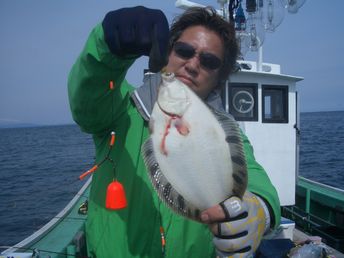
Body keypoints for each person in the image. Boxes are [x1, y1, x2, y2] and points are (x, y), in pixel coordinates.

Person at [68, 6, 281, 258]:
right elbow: (87, 99)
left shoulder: (223, 134)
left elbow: (252, 176)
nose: (192, 64)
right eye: (184, 50)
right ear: (167, 52)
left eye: (209, 61)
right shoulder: (119, 110)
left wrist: (260, 209)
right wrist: (107, 47)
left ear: (219, 78)